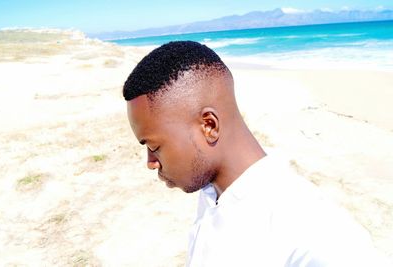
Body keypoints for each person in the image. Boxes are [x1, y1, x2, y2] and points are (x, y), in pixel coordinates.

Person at [123, 41, 386, 266]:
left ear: (209, 126)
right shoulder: (212, 192)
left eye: (154, 147)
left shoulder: (313, 230)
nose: (150, 162)